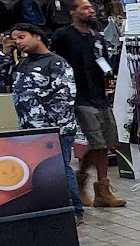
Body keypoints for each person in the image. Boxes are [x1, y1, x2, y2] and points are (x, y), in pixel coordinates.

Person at [50, 0, 126, 207]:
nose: (91, 11)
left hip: (99, 95)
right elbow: (56, 64)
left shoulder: (96, 36)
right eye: (85, 8)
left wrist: (108, 71)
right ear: (73, 12)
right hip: (79, 97)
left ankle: (89, 184)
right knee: (98, 142)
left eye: (91, 7)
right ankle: (99, 188)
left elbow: (103, 61)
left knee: (107, 142)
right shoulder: (63, 36)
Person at [7, 22, 84, 219]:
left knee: (59, 169)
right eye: (15, 39)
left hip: (55, 131)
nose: (18, 42)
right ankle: (51, 209)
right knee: (38, 171)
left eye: (22, 37)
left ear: (37, 36)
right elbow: (3, 80)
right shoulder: (22, 63)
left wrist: (49, 129)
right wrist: (3, 55)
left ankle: (74, 211)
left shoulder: (56, 63)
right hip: (29, 130)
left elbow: (64, 99)